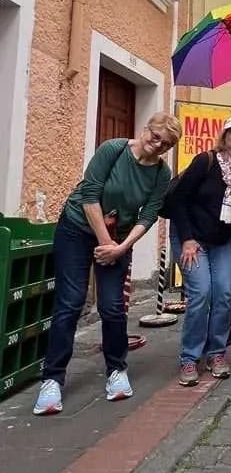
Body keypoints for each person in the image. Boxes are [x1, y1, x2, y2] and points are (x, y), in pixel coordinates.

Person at [33, 113, 182, 415]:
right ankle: (52, 379)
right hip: (77, 228)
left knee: (113, 306)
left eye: (166, 144)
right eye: (156, 137)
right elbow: (90, 195)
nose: (158, 145)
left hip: (119, 238)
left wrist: (121, 248)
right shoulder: (113, 149)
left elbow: (149, 214)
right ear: (145, 129)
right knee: (70, 303)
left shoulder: (160, 174)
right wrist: (105, 243)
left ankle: (117, 370)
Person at [170, 117, 231, 386]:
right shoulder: (205, 162)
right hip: (192, 238)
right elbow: (178, 200)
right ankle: (189, 356)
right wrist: (187, 238)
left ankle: (216, 352)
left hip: (225, 240)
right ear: (224, 136)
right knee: (201, 293)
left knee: (224, 292)